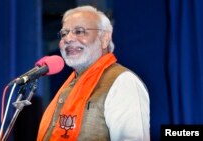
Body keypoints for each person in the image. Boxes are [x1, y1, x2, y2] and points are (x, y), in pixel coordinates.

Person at [37, 5, 150, 141]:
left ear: (104, 39)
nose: (68, 39)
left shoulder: (122, 81)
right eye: (64, 33)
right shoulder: (69, 86)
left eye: (79, 31)